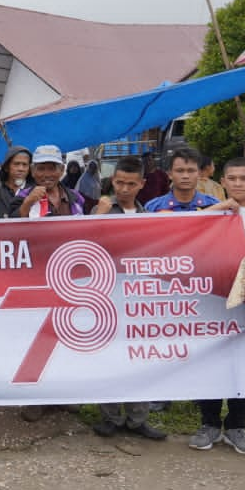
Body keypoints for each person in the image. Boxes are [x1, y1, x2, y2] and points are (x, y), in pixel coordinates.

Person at [190, 156, 245, 455]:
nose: (238, 183)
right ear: (223, 182)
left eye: (244, 178)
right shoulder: (209, 213)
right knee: (209, 360)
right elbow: (187, 232)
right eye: (232, 178)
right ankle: (209, 422)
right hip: (211, 296)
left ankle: (237, 424)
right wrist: (218, 209)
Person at [88, 157, 168, 441]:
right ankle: (110, 416)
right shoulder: (102, 209)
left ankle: (138, 418)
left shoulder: (148, 214)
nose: (124, 188)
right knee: (109, 356)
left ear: (142, 184)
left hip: (139, 297)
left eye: (131, 184)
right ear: (112, 181)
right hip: (108, 295)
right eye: (119, 182)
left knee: (139, 357)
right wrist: (99, 214)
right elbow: (83, 243)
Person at [13, 145, 85, 218]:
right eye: (41, 169)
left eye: (52, 169)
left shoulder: (76, 197)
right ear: (32, 171)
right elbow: (12, 224)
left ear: (62, 170)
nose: (47, 174)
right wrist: (28, 202)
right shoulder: (22, 196)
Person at [144, 147, 220, 212]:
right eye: (180, 171)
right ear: (170, 174)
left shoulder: (214, 205)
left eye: (191, 171)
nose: (185, 176)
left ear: (199, 174)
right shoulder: (153, 207)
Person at [0, 145, 32, 212]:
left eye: (25, 164)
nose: (21, 169)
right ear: (6, 167)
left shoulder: (34, 190)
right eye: (16, 164)